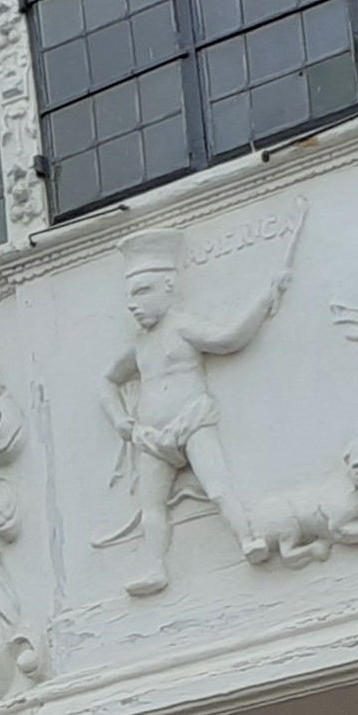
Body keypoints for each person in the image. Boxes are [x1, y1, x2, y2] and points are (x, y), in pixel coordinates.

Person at [99, 225, 296, 596]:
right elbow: (108, 380)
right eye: (130, 296)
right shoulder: (141, 343)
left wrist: (264, 299)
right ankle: (156, 565)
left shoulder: (182, 327)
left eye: (142, 292)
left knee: (218, 484)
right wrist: (123, 422)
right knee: (151, 506)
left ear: (169, 288)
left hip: (191, 421)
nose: (133, 304)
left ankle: (246, 538)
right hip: (152, 436)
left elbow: (227, 339)